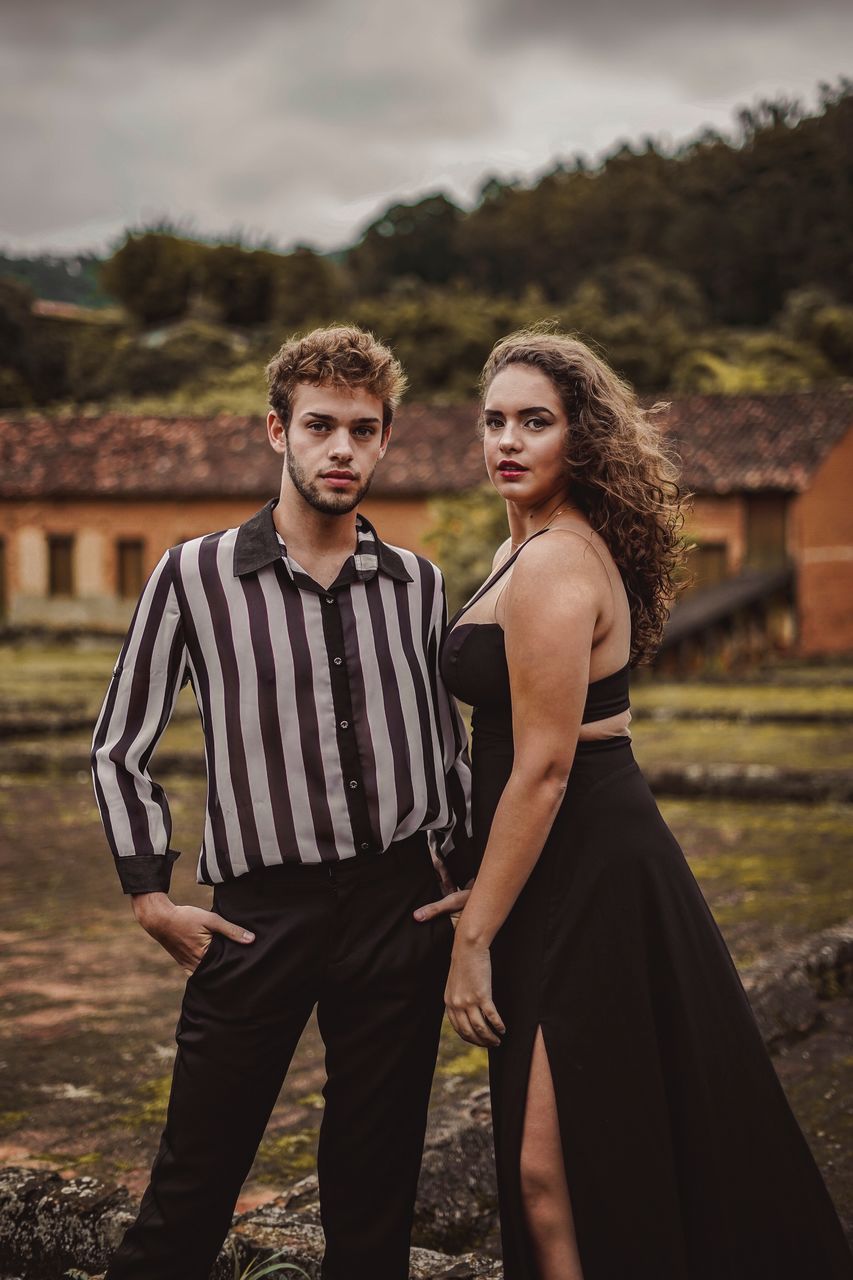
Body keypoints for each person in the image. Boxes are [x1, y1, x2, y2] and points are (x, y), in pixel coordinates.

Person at [415, 330, 853, 1279]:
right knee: (571, 1155)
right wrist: (490, 884)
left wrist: (473, 938)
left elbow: (541, 770)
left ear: (582, 437)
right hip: (540, 862)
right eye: (494, 420)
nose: (509, 440)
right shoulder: (515, 547)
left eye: (536, 421)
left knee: (554, 1161)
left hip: (586, 865)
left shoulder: (558, 565)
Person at [90, 325, 476, 1280]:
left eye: (362, 430)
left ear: (386, 440)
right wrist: (149, 892)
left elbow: (444, 749)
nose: (340, 449)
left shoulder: (418, 586)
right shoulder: (192, 574)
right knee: (192, 1187)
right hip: (259, 916)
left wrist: (462, 880)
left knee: (375, 1188)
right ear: (277, 431)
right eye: (319, 427)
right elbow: (119, 743)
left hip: (398, 909)